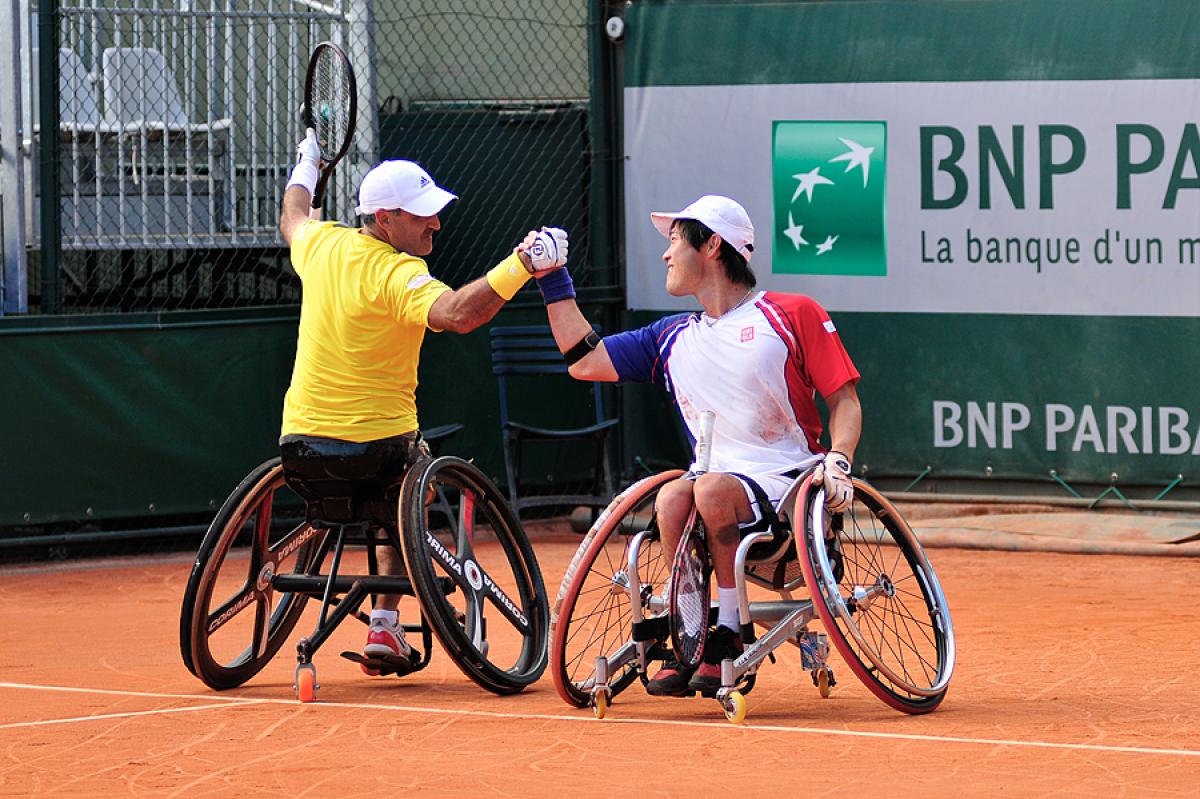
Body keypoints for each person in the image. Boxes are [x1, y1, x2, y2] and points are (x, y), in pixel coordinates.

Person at [532, 194, 861, 697]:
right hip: (715, 486)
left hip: (790, 487)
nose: (665, 255)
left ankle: (730, 632)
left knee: (707, 490)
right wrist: (553, 277)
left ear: (711, 244)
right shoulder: (671, 337)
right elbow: (584, 360)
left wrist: (839, 460)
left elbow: (845, 401)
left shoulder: (792, 313)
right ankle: (691, 629)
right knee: (672, 495)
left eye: (673, 241)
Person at [277, 128, 569, 673]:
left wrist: (307, 164)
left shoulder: (322, 245)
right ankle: (385, 624)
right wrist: (523, 265)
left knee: (392, 486)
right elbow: (459, 314)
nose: (435, 222)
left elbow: (293, 215)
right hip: (379, 453)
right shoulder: (399, 272)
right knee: (408, 482)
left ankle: (382, 626)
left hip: (298, 451)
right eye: (421, 214)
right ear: (385, 219)